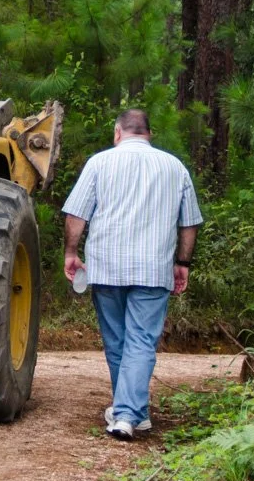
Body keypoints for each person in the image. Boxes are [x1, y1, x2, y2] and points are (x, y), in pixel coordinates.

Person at [60, 108, 202, 440]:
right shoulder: (175, 167)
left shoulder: (99, 163)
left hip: (107, 268)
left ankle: (125, 414)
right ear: (149, 133)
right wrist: (183, 263)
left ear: (117, 132)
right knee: (141, 341)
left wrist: (71, 253)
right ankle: (135, 412)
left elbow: (76, 215)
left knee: (117, 341)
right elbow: (190, 223)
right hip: (153, 269)